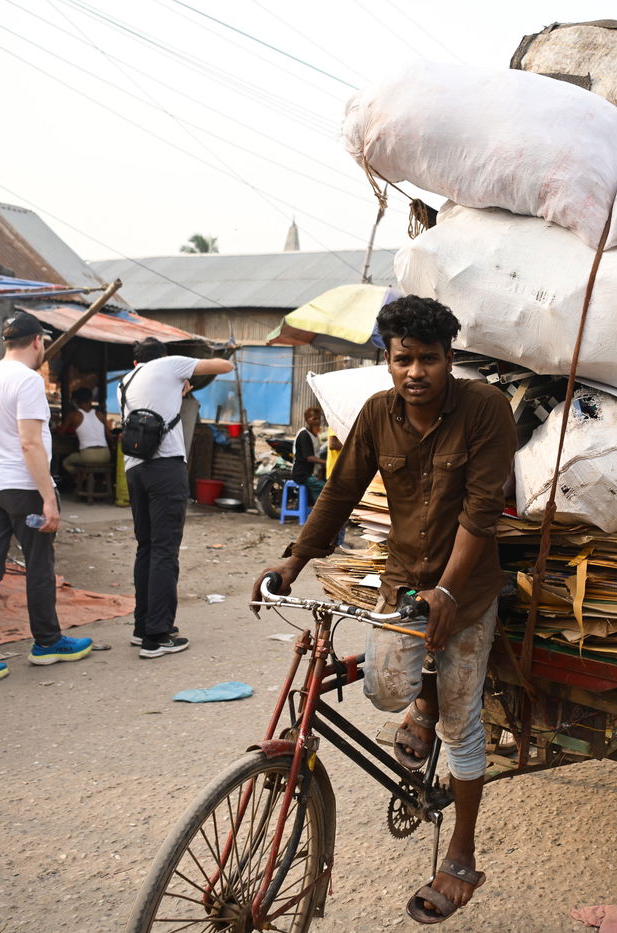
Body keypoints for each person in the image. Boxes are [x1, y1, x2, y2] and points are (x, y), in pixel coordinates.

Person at [252, 296, 517, 924]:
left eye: (429, 359)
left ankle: (460, 854)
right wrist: (293, 559)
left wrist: (451, 593)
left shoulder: (485, 410)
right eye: (404, 359)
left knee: (461, 724)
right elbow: (341, 492)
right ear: (388, 361)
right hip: (401, 582)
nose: (416, 372)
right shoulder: (377, 415)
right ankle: (420, 701)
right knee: (384, 690)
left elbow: (482, 513)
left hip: (469, 587)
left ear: (451, 359)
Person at [0, 311, 93, 688]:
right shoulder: (28, 380)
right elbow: (29, 442)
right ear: (37, 341)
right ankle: (48, 643)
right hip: (24, 487)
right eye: (44, 342)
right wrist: (48, 498)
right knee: (38, 565)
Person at [120, 338, 234, 659]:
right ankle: (157, 637)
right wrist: (185, 374)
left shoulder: (125, 382)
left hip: (135, 470)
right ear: (164, 357)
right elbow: (225, 365)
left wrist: (176, 389)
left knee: (146, 547)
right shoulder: (168, 365)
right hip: (164, 468)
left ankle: (142, 627)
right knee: (165, 551)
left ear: (135, 361)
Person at [61, 387, 110, 473]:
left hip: (88, 455)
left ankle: (79, 480)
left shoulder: (73, 415)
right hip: (105, 454)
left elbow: (61, 434)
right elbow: (109, 436)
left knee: (66, 462)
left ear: (75, 401)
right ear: (91, 399)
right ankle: (88, 479)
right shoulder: (100, 415)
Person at [290, 405, 327, 497]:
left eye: (318, 419)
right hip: (302, 474)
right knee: (324, 488)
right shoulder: (304, 434)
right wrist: (327, 462)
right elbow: (309, 457)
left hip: (311, 473)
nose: (317, 421)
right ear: (307, 420)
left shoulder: (314, 435)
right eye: (314, 419)